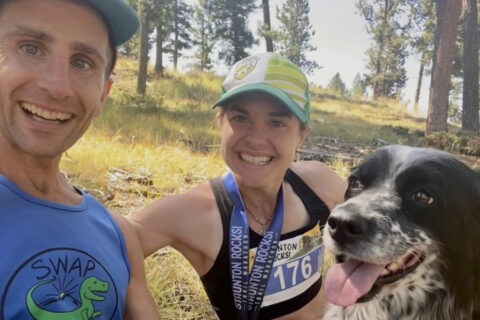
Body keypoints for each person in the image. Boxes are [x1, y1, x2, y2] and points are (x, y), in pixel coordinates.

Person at [132, 52, 347, 319]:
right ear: (220, 123)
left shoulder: (317, 184)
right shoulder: (188, 213)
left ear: (302, 135)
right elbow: (94, 253)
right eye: (241, 118)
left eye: (277, 122)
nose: (257, 139)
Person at [0, 0, 160, 318]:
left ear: (103, 94)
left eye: (82, 62)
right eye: (30, 48)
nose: (57, 86)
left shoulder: (119, 235)